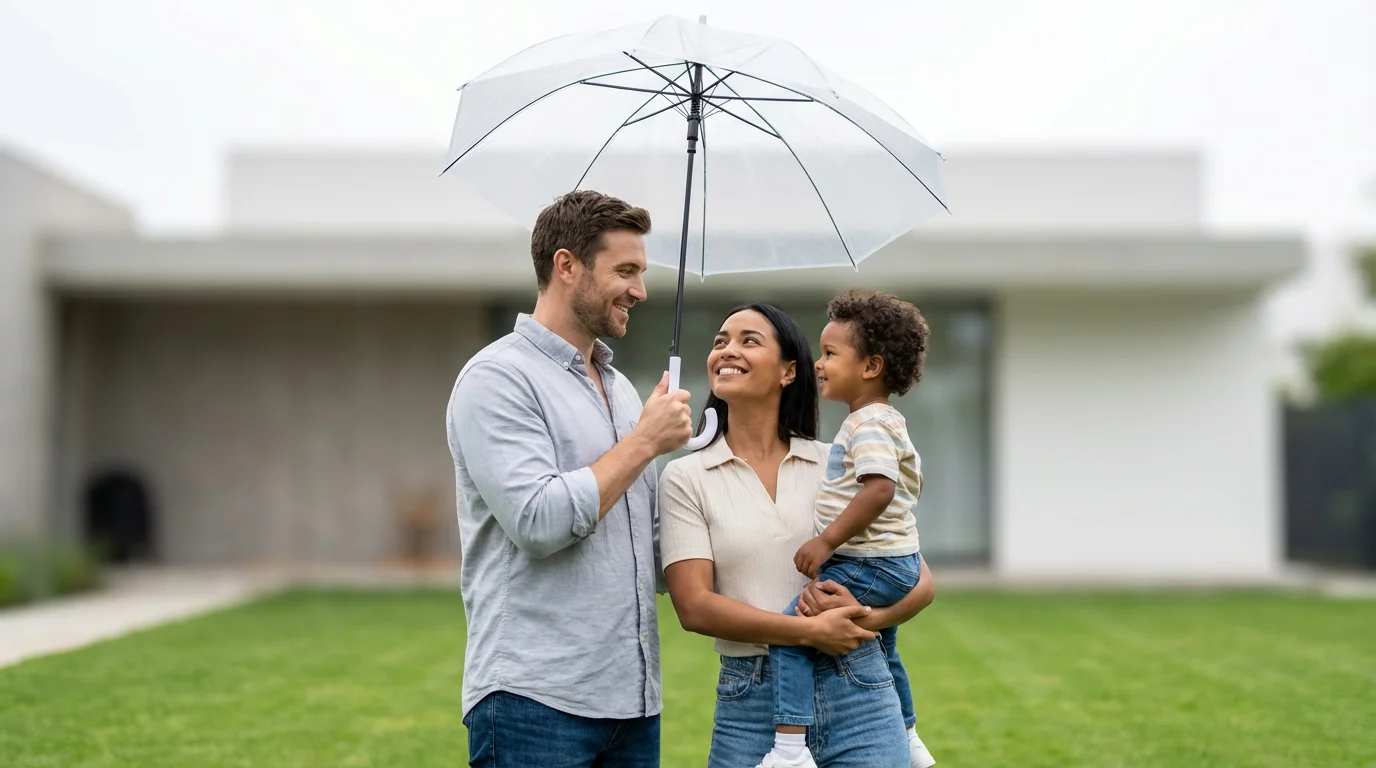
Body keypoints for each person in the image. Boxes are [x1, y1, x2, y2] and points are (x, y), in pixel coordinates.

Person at [445, 189, 695, 767]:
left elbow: (651, 549)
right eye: (626, 270)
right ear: (566, 266)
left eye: (642, 272)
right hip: (534, 702)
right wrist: (644, 442)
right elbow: (539, 520)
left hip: (632, 706)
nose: (641, 289)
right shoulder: (498, 378)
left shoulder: (624, 391)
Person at [658, 302, 936, 768]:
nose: (727, 350)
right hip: (752, 701)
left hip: (861, 690)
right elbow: (694, 607)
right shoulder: (686, 477)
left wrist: (856, 623)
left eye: (749, 340)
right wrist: (809, 631)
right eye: (720, 341)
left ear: (789, 371)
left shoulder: (839, 461)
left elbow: (921, 582)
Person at [760, 289, 935, 768]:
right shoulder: (880, 421)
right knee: (886, 644)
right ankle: (909, 734)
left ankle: (789, 749)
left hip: (870, 562)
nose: (819, 363)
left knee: (792, 630)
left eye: (832, 353)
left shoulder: (868, 424)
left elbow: (879, 489)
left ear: (871, 367)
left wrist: (826, 540)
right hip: (893, 561)